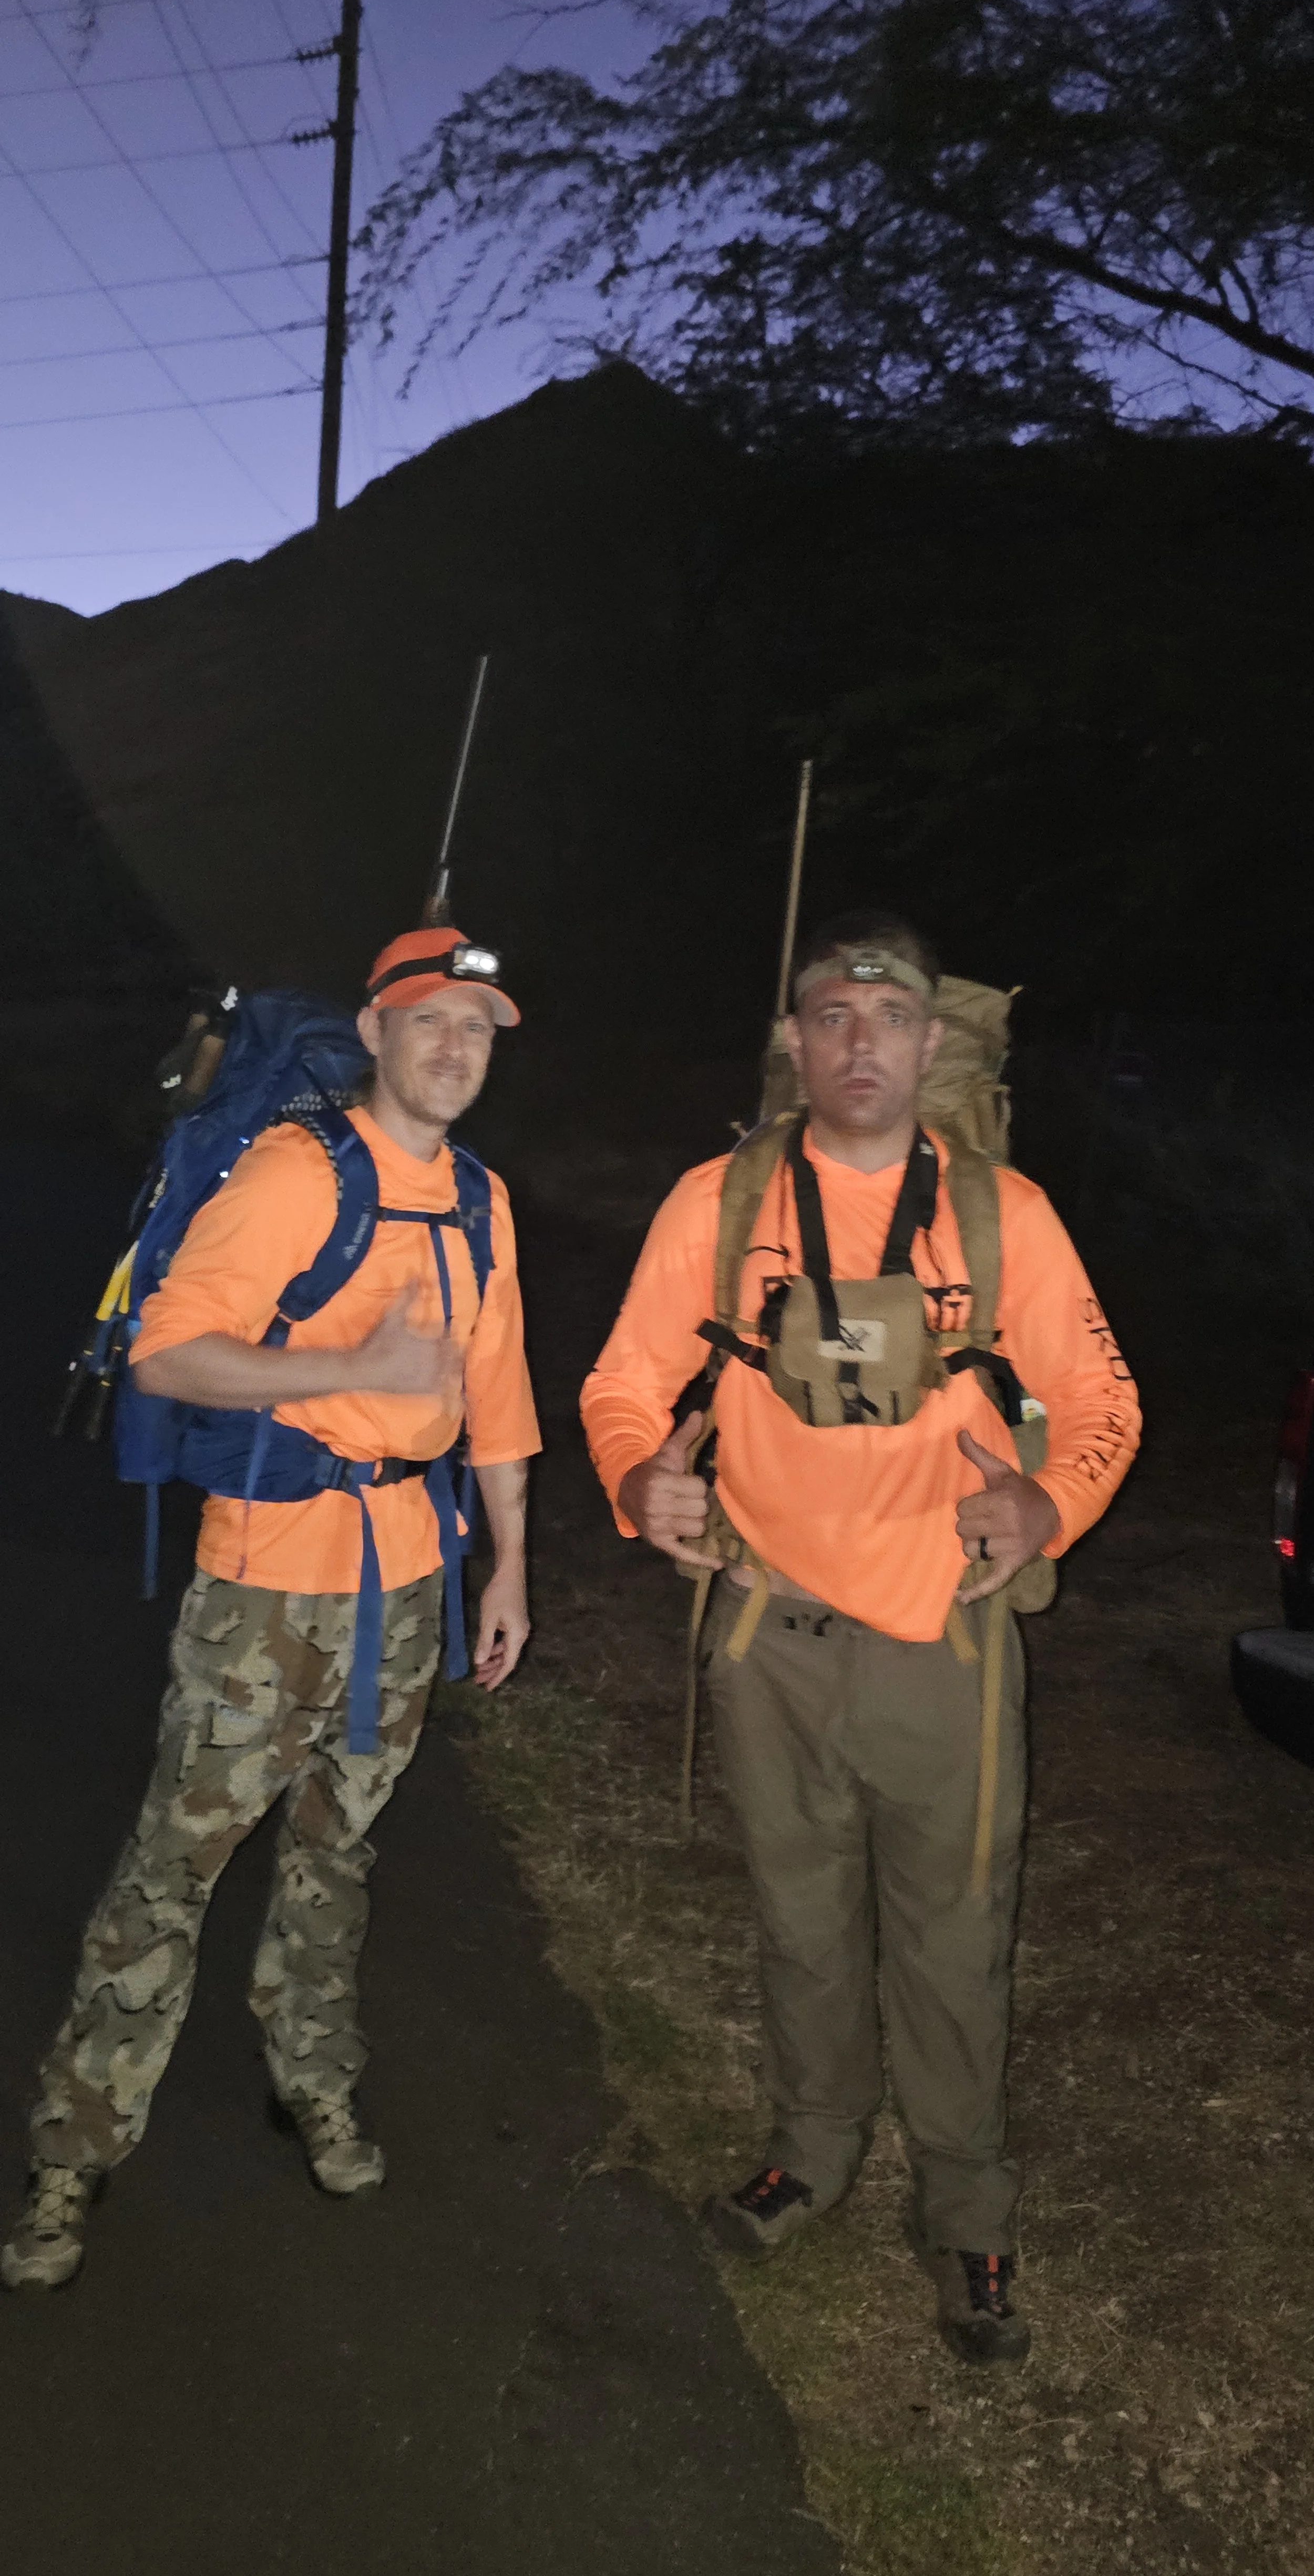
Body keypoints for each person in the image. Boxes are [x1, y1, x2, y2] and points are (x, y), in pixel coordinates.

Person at [579, 915, 1140, 2365]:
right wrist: (641, 1483)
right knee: (799, 1918)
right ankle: (810, 2153)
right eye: (829, 1015)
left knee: (954, 1937)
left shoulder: (1002, 1214)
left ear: (930, 1042)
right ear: (794, 1042)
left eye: (885, 1016)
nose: (858, 1043)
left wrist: (1045, 1506)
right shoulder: (719, 1202)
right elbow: (623, 1383)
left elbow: (1099, 1406)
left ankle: (965, 2213)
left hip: (940, 1646)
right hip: (767, 1638)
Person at [3, 928, 539, 2292]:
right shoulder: (300, 1175)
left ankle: (313, 2081)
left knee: (337, 1852)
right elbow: (175, 1349)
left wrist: (508, 1569)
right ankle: (73, 2149)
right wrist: (340, 1369)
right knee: (173, 1869)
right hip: (263, 1583)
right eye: (430, 1021)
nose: (454, 1047)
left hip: (407, 1585)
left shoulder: (481, 1199)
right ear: (374, 1032)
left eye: (477, 1028)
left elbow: (499, 1404)